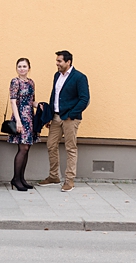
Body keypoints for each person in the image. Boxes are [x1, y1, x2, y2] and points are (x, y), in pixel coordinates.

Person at [39, 50, 90, 193]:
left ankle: (69, 180)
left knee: (70, 148)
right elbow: (54, 95)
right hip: (56, 117)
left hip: (70, 118)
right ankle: (54, 176)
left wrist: (71, 114)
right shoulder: (57, 75)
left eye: (59, 61)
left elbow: (84, 99)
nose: (57, 64)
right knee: (51, 144)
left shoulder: (79, 77)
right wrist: (49, 116)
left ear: (68, 62)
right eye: (57, 61)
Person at [8, 58, 37, 191]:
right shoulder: (15, 82)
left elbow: (32, 101)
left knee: (27, 149)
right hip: (21, 117)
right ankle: (15, 179)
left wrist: (41, 106)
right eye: (19, 66)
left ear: (29, 68)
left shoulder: (31, 82)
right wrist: (18, 121)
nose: (22, 68)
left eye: (24, 66)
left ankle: (21, 178)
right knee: (23, 148)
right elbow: (13, 102)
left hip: (30, 117)